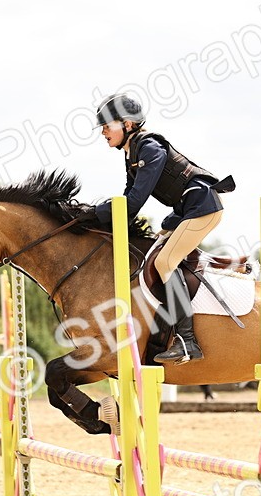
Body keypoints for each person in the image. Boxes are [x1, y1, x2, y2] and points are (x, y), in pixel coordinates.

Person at [83, 93, 235, 365]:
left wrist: (93, 213)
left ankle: (187, 341)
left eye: (107, 126)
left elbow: (132, 203)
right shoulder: (133, 152)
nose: (103, 132)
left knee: (165, 262)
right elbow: (127, 201)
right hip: (184, 211)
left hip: (202, 207)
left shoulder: (150, 148)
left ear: (127, 124)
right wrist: (98, 219)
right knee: (152, 247)